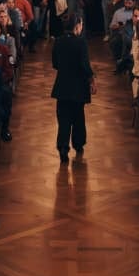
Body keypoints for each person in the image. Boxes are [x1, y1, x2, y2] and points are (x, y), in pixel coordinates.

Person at [51, 13, 94, 163]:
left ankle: (63, 147)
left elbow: (55, 63)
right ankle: (78, 144)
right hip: (78, 86)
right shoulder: (81, 43)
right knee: (78, 117)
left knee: (63, 119)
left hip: (62, 85)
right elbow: (85, 65)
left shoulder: (58, 41)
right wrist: (91, 79)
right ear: (77, 26)